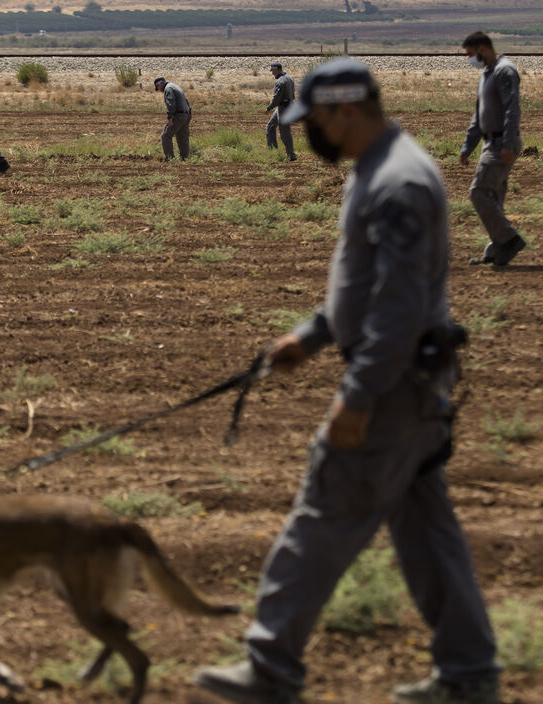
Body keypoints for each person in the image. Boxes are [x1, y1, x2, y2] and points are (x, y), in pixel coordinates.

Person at [193, 58, 502, 704]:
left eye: (314, 124)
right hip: (409, 382)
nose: (310, 137)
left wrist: (358, 398)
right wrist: (309, 337)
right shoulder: (381, 170)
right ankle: (469, 674)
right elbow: (365, 292)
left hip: (391, 389)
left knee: (324, 510)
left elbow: (398, 307)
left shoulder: (398, 184)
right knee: (426, 531)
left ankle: (271, 667)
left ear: (345, 112)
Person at [459, 31, 526, 267]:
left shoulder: (504, 70)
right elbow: (479, 115)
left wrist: (507, 144)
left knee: (478, 193)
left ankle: (510, 239)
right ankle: (497, 249)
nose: (470, 59)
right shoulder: (486, 73)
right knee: (494, 197)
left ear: (482, 49)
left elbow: (512, 109)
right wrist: (468, 146)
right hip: (491, 141)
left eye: (470, 54)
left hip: (500, 144)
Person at [264, 62, 296, 161]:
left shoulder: (280, 82)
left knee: (284, 132)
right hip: (287, 106)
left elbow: (276, 98)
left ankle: (291, 155)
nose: (272, 73)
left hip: (283, 108)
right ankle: (273, 152)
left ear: (277, 69)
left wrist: (269, 108)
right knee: (270, 126)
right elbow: (293, 94)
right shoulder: (290, 78)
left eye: (273, 71)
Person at [154, 76, 191, 161]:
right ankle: (184, 158)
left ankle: (170, 158)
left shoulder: (168, 89)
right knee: (182, 136)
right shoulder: (174, 86)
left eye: (158, 88)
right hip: (186, 114)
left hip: (179, 115)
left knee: (165, 135)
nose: (159, 90)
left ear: (159, 85)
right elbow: (186, 101)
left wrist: (170, 118)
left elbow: (171, 104)